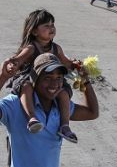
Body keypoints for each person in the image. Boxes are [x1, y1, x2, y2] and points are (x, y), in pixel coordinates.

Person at [5, 10, 82, 144]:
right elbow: (19, 59)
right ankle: (32, 119)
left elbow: (65, 62)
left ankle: (65, 126)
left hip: (52, 79)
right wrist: (12, 64)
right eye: (46, 26)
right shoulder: (31, 48)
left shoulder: (56, 48)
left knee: (63, 93)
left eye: (52, 25)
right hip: (31, 77)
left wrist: (75, 65)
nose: (51, 28)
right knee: (26, 87)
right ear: (34, 31)